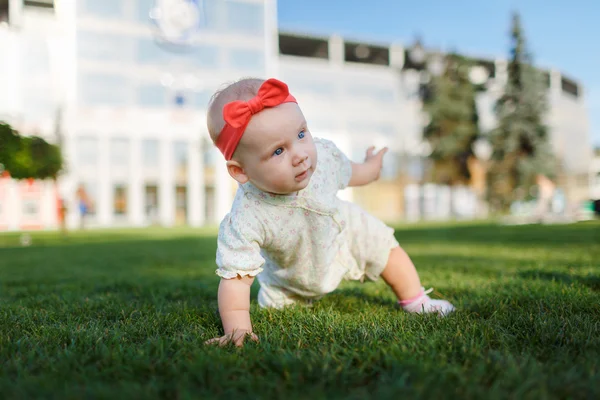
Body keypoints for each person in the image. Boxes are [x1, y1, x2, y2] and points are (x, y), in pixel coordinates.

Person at [205, 78, 455, 347]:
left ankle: (416, 300)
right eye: (278, 151)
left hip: (346, 230)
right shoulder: (246, 217)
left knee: (385, 247)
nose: (300, 155)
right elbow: (237, 280)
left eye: (301, 134)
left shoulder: (322, 156)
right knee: (282, 304)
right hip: (291, 274)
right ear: (240, 171)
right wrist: (237, 329)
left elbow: (354, 173)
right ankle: (287, 297)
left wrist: (372, 166)